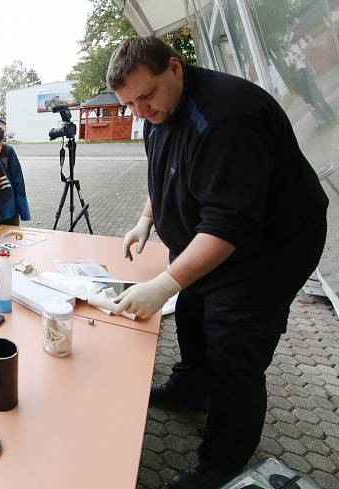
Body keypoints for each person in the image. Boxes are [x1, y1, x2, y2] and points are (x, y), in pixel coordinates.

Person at [107, 37, 328, 489]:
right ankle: (191, 387)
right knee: (192, 312)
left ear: (174, 68)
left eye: (145, 96)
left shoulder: (228, 118)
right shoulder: (157, 112)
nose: (140, 111)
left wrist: (165, 283)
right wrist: (146, 218)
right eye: (128, 103)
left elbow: (230, 226)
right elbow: (162, 169)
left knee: (233, 349)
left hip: (267, 251)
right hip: (211, 236)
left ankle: (221, 461)